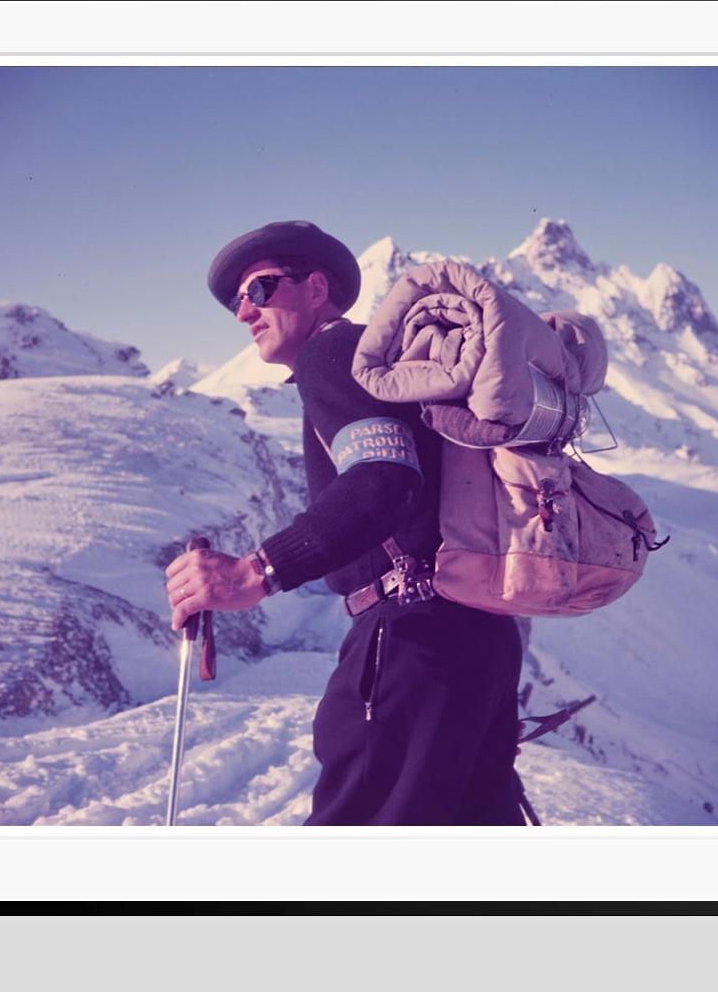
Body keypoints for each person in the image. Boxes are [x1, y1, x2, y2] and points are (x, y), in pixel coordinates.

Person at [165, 220, 525, 826]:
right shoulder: (385, 368)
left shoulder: (331, 353)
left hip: (412, 641)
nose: (243, 312)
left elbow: (385, 479)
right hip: (479, 637)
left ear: (314, 289)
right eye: (235, 302)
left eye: (259, 290)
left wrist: (259, 571)